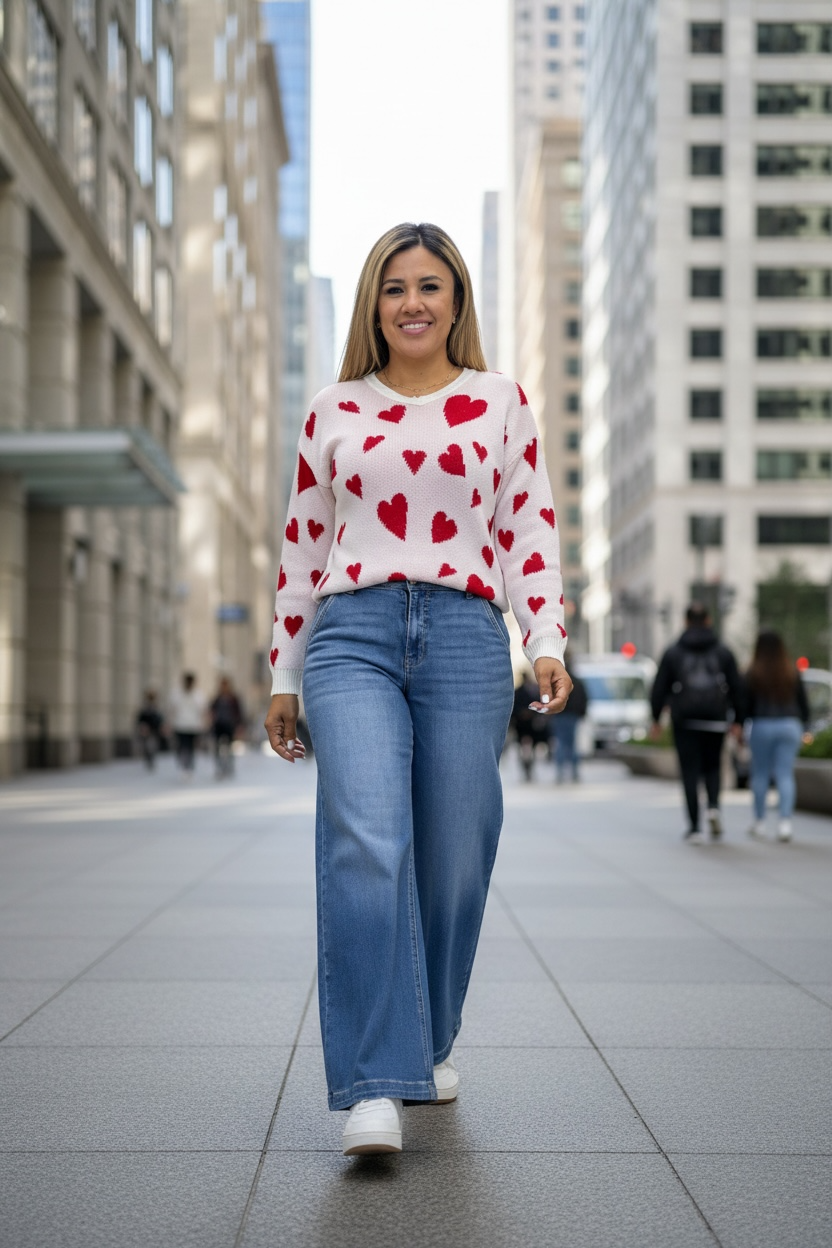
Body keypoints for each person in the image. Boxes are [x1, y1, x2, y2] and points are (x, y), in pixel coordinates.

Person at [263, 222, 572, 1156]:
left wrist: (546, 639)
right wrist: (282, 673)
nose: (412, 302)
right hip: (350, 634)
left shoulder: (500, 403)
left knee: (455, 849)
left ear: (457, 301)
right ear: (374, 303)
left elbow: (529, 528)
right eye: (394, 286)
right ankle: (372, 1082)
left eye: (430, 285)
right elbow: (301, 545)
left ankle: (427, 1040)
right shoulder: (333, 408)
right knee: (367, 837)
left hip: (469, 639)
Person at [650, 603, 743, 842]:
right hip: (715, 718)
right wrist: (739, 719)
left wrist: (656, 718)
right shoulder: (722, 651)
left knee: (689, 771)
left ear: (686, 621)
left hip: (685, 719)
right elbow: (737, 687)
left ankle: (694, 827)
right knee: (713, 766)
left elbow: (659, 687)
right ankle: (713, 806)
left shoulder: (674, 651)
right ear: (709, 620)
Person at [743, 631, 810, 842]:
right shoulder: (790, 671)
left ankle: (760, 822)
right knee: (784, 774)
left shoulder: (753, 672)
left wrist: (740, 723)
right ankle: (785, 823)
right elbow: (803, 703)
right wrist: (805, 725)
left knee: (760, 773)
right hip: (789, 724)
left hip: (762, 724)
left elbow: (745, 704)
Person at [550, 654, 587, 782]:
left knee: (560, 743)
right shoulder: (577, 681)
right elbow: (584, 699)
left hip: (559, 715)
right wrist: (581, 713)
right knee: (571, 744)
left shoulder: (557, 681)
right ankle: (574, 772)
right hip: (572, 715)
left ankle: (560, 772)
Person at [511, 669, 552, 781]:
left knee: (528, 750)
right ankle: (526, 769)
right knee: (525, 750)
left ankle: (528, 769)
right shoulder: (521, 692)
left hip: (530, 726)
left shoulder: (531, 691)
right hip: (522, 726)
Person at [169, 672, 207, 778]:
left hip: (193, 726)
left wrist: (203, 724)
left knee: (190, 748)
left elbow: (202, 710)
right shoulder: (177, 693)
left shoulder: (198, 694)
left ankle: (189, 766)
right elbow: (173, 709)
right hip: (180, 725)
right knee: (181, 747)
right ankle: (183, 765)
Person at [210, 677, 244, 778]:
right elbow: (212, 711)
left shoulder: (233, 699)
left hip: (229, 725)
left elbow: (239, 713)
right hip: (218, 726)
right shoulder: (217, 698)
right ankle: (219, 767)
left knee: (229, 748)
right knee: (217, 748)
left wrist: (239, 726)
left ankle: (229, 766)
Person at [135, 690, 165, 770]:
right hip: (147, 729)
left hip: (153, 730)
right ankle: (149, 759)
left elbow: (159, 719)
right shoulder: (146, 707)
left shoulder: (155, 706)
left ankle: (150, 759)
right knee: (148, 746)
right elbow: (141, 718)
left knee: (151, 746)